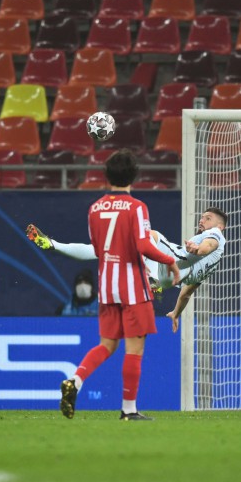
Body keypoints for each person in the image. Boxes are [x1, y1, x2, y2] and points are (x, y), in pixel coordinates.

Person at [58, 149, 181, 421]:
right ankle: (128, 409)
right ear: (134, 175)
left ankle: (75, 381)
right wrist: (169, 260)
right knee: (134, 348)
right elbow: (143, 245)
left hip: (106, 286)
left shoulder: (94, 208)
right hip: (133, 287)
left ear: (106, 176)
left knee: (106, 344)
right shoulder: (137, 207)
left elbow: (98, 248)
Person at [26, 207, 228, 333]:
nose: (202, 220)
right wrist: (175, 313)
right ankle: (53, 244)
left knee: (151, 235)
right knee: (107, 251)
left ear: (220, 225)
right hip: (169, 278)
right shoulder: (212, 265)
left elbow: (208, 245)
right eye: (202, 217)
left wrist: (198, 249)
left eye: (207, 217)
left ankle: (147, 277)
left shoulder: (215, 234)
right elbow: (186, 293)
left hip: (172, 261)